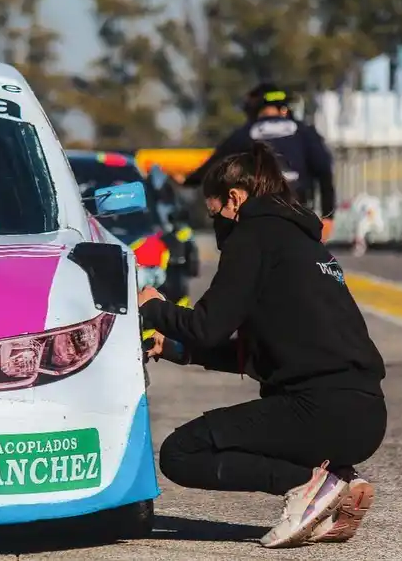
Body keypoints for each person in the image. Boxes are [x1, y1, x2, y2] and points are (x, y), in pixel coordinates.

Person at [139, 141, 387, 549]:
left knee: (181, 453)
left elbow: (207, 326)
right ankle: (337, 482)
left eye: (214, 212)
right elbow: (259, 353)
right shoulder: (303, 242)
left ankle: (308, 484)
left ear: (235, 199)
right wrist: (177, 350)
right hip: (364, 417)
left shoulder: (252, 236)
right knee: (258, 425)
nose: (217, 223)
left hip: (318, 409)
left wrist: (153, 307)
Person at [183, 83, 337, 242]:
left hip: (257, 219)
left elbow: (214, 165)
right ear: (284, 108)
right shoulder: (305, 132)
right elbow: (324, 171)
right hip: (299, 212)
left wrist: (188, 181)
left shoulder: (244, 134)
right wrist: (328, 217)